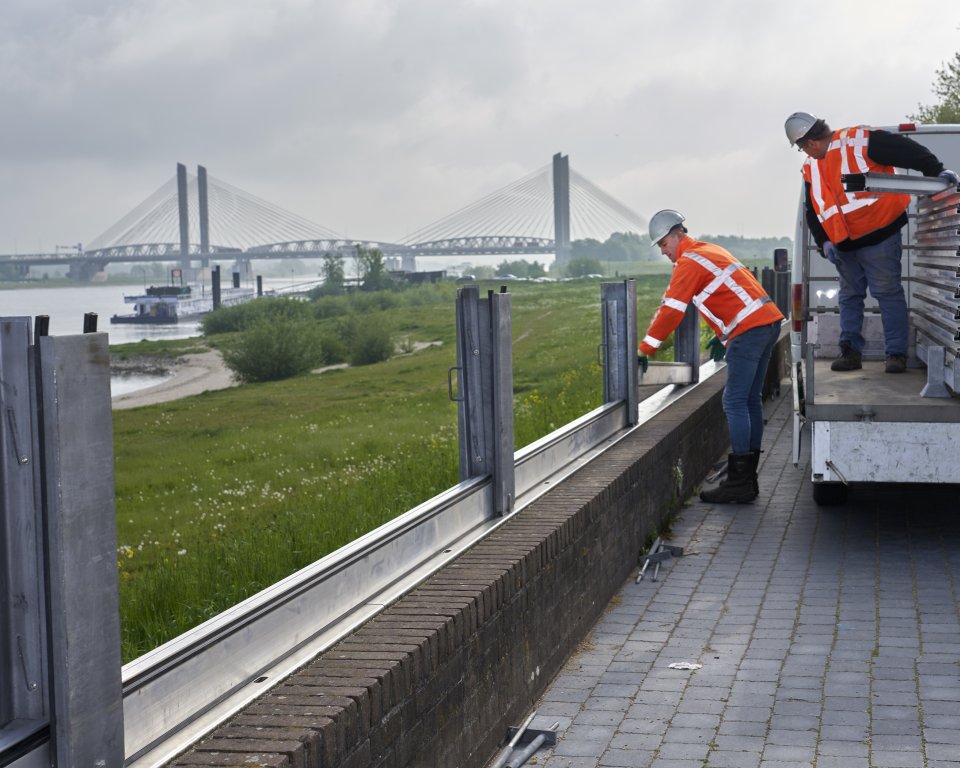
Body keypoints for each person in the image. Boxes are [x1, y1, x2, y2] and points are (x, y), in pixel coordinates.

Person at [784, 112, 960, 373]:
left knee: (887, 293)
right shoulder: (812, 167)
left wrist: (935, 170)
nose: (805, 153)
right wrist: (824, 242)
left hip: (880, 235)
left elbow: (905, 149)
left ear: (809, 143)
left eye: (802, 148)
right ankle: (850, 353)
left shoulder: (857, 141)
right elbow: (813, 210)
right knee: (849, 296)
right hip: (844, 244)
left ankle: (896, 356)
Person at [639, 210, 784, 504]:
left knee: (733, 401)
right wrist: (723, 335)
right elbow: (730, 291)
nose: (664, 252)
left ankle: (741, 481)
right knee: (750, 399)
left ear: (677, 235)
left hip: (750, 330)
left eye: (664, 244)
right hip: (766, 324)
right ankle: (748, 479)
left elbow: (671, 310)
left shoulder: (688, 262)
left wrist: (646, 348)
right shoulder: (709, 250)